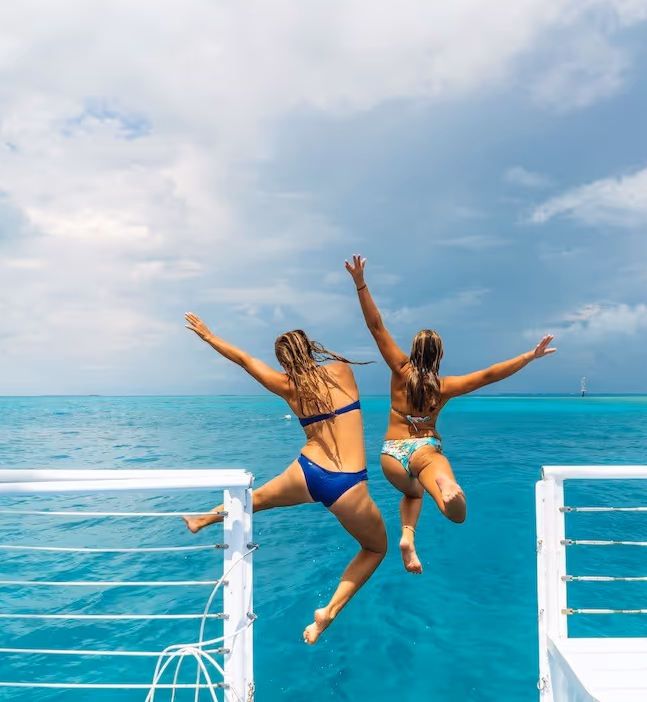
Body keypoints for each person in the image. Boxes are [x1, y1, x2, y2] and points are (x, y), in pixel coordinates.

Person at [180, 312, 387, 644]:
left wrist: (208, 335)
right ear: (310, 349)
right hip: (348, 483)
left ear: (284, 361)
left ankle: (202, 519)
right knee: (375, 549)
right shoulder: (342, 371)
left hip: (308, 471)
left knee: (253, 501)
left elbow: (245, 361)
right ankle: (327, 613)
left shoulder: (287, 386)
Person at [344, 255, 555, 573]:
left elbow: (376, 326)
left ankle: (407, 538)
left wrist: (360, 281)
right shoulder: (444, 387)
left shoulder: (399, 369)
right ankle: (444, 483)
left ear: (414, 350)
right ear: (439, 355)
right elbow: (490, 375)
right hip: (424, 451)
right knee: (456, 513)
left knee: (413, 493)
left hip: (390, 456)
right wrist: (529, 355)